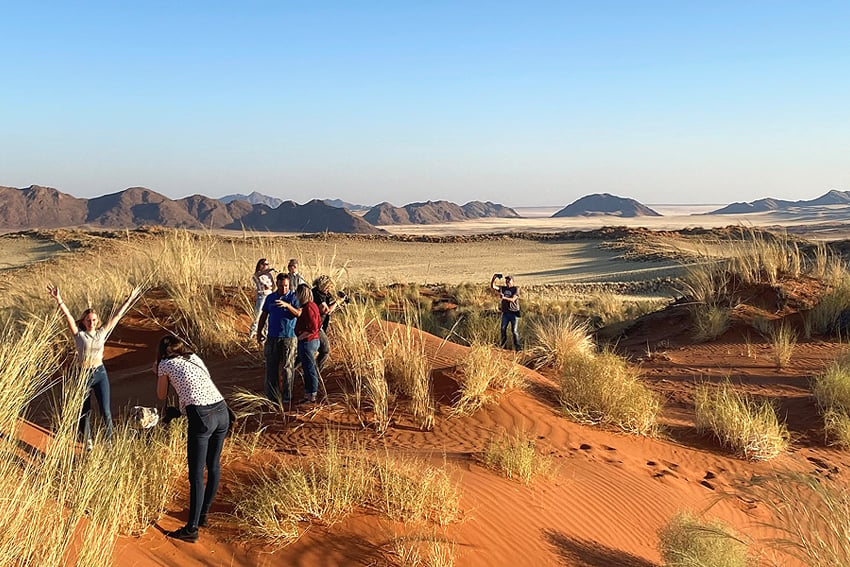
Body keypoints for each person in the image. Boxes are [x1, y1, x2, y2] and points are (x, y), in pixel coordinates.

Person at [155, 335, 229, 543]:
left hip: (202, 415)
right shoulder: (194, 357)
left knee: (196, 474)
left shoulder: (165, 364)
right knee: (213, 465)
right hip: (222, 410)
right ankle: (203, 515)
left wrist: (159, 373)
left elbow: (161, 395)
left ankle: (191, 528)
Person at [48, 283, 141, 448]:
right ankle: (88, 440)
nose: (91, 322)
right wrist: (59, 299)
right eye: (88, 320)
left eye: (94, 320)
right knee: (85, 411)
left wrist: (130, 299)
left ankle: (109, 440)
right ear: (83, 322)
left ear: (97, 321)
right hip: (82, 374)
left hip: (100, 373)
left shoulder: (102, 333)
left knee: (105, 409)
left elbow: (117, 316)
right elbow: (68, 316)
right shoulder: (79, 335)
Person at [256, 273, 301, 403]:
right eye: (281, 286)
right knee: (271, 366)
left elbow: (298, 313)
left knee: (288, 367)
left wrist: (287, 306)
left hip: (289, 337)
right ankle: (272, 395)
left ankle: (287, 396)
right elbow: (264, 315)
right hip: (273, 336)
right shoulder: (271, 298)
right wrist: (259, 332)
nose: (284, 289)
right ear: (277, 284)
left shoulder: (293, 297)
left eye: (286, 286)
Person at [294, 283, 321, 404]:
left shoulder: (309, 307)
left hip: (308, 342)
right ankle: (308, 394)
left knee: (309, 369)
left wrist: (300, 337)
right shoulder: (312, 305)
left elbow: (313, 328)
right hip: (311, 341)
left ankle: (312, 395)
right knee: (307, 368)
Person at [311, 275, 341, 370]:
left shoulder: (324, 294)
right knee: (325, 349)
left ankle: (294, 370)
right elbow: (325, 310)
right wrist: (338, 302)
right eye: (327, 287)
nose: (328, 290)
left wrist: (337, 300)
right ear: (323, 285)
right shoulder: (316, 293)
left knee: (309, 351)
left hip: (319, 325)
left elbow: (329, 304)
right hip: (315, 326)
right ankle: (316, 372)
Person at [490, 274, 521, 350]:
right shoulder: (502, 288)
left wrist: (504, 297)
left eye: (509, 280)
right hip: (505, 313)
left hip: (514, 313)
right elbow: (493, 286)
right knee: (503, 329)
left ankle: (518, 347)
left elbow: (513, 299)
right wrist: (494, 277)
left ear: (513, 281)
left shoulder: (516, 289)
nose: (507, 281)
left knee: (514, 331)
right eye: (506, 280)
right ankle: (503, 346)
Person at [249, 259, 275, 338]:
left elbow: (273, 286)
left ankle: (266, 332)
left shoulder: (269, 275)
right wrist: (267, 271)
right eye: (263, 264)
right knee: (258, 313)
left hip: (269, 295)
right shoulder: (258, 274)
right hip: (262, 296)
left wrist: (270, 287)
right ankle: (253, 331)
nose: (265, 266)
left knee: (268, 315)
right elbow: (257, 278)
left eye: (267, 264)